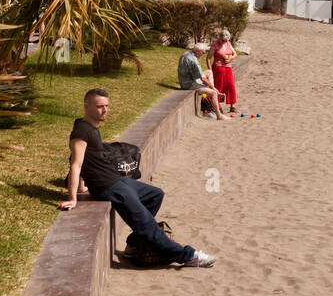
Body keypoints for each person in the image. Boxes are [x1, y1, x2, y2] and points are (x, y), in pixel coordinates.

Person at [61, 88, 216, 267]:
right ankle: (189, 256)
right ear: (86, 107)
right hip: (109, 187)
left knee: (155, 194)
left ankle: (133, 244)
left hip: (117, 180)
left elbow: (88, 161)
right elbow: (76, 163)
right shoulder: (81, 131)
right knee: (146, 223)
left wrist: (83, 186)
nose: (104, 110)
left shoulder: (91, 127)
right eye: (99, 107)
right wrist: (73, 198)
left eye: (106, 106)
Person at [179, 42, 223, 119]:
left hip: (186, 79)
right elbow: (203, 79)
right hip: (189, 84)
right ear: (197, 51)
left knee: (209, 72)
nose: (203, 54)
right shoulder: (194, 61)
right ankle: (219, 115)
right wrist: (213, 88)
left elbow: (200, 75)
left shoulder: (186, 54)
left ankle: (210, 97)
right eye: (203, 52)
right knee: (213, 93)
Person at [210, 28, 238, 115]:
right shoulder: (215, 45)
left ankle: (232, 106)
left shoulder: (228, 43)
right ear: (219, 38)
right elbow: (208, 58)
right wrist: (210, 70)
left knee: (231, 86)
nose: (224, 42)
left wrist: (231, 58)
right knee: (219, 86)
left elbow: (235, 53)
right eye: (223, 40)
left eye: (226, 40)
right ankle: (217, 105)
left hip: (228, 67)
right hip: (218, 68)